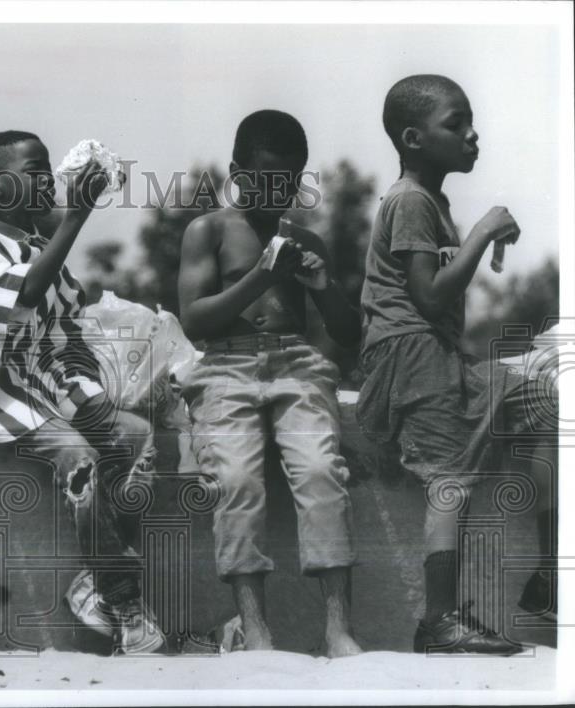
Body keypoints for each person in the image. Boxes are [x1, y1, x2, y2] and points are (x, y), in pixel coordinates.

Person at [357, 74, 557, 654]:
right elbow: (431, 297)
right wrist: (484, 230)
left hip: (436, 352)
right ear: (414, 138)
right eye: (456, 124)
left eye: (471, 122)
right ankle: (439, 621)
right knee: (450, 474)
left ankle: (548, 575)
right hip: (409, 353)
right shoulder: (411, 200)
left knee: (548, 403)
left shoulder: (429, 200)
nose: (473, 135)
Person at [0, 130, 163, 654]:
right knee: (81, 458)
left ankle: (94, 578)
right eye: (35, 171)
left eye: (48, 168)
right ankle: (121, 596)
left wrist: (101, 389)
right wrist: (77, 216)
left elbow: (67, 328)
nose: (48, 179)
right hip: (9, 396)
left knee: (136, 439)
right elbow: (20, 299)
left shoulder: (39, 245)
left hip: (59, 389)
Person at [177, 110, 362, 657]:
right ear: (237, 172)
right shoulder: (208, 230)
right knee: (235, 480)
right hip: (224, 368)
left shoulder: (303, 238)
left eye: (289, 180)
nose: (276, 190)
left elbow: (347, 332)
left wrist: (322, 286)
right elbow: (194, 321)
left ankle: (338, 629)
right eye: (263, 177)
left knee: (322, 470)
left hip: (296, 366)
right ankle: (255, 630)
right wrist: (262, 274)